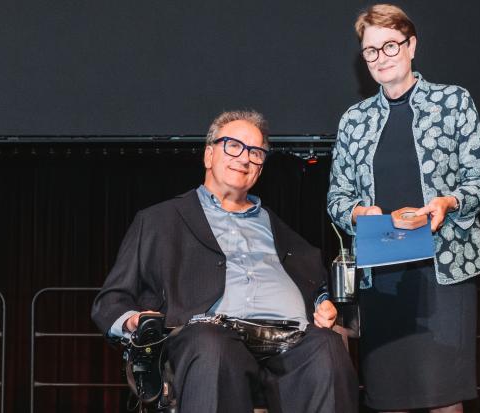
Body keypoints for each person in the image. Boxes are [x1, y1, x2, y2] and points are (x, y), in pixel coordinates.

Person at [93, 110, 358, 413]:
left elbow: (316, 283)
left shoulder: (283, 231)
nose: (244, 158)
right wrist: (132, 321)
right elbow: (111, 300)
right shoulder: (158, 221)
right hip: (210, 334)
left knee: (328, 347)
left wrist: (323, 302)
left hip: (291, 340)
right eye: (233, 146)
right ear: (208, 155)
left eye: (256, 152)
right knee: (213, 348)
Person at [327, 4, 480, 413]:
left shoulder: (454, 102)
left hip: (445, 269)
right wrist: (355, 215)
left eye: (391, 46)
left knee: (443, 397)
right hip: (381, 275)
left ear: (412, 45)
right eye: (371, 51)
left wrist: (448, 202)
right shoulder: (353, 120)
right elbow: (337, 198)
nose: (381, 58)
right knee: (388, 398)